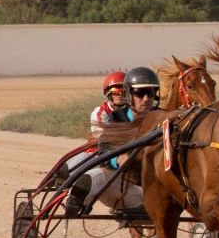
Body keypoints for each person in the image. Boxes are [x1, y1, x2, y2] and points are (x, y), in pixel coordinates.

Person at [65, 66, 161, 216]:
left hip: (157, 191)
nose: (146, 99)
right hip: (123, 185)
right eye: (140, 93)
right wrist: (117, 159)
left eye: (150, 93)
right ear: (129, 94)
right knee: (99, 174)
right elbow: (103, 150)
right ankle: (77, 198)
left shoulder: (164, 120)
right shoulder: (115, 119)